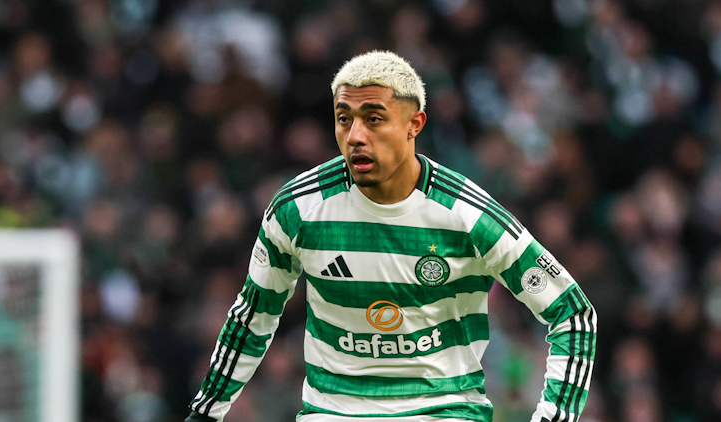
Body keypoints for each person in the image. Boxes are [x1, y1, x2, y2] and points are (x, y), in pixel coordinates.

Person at [186, 51, 598, 422]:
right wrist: (205, 413)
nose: (355, 135)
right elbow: (252, 317)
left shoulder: (467, 214)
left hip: (442, 413)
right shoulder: (297, 209)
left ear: (414, 124)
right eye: (344, 118)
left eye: (373, 118)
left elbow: (573, 315)